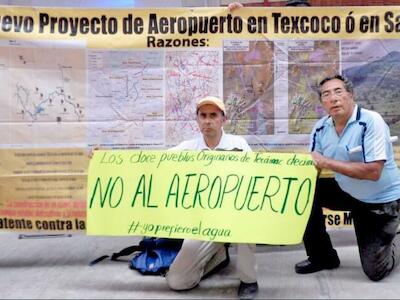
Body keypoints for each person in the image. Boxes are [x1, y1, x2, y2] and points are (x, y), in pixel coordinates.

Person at [295, 74, 400, 281]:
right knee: (304, 192)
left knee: (375, 271)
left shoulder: (371, 121)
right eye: (326, 94)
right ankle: (323, 256)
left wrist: (327, 163)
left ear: (351, 95)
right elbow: (314, 167)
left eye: (338, 91)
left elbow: (373, 172)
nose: (333, 98)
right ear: (322, 103)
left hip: (380, 201)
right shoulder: (320, 128)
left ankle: (395, 237)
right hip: (348, 192)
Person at [165, 96, 258, 299]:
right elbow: (153, 160)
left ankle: (248, 280)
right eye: (203, 115)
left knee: (247, 229)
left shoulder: (238, 144)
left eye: (213, 115)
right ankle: (218, 257)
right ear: (197, 120)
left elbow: (257, 176)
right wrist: (107, 158)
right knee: (177, 281)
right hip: (203, 222)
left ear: (223, 119)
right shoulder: (188, 148)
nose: (207, 120)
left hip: (236, 216)